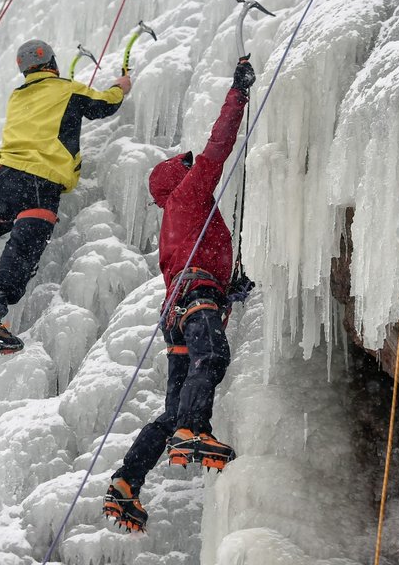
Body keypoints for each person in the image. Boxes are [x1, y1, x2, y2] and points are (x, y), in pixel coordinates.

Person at [103, 59, 256, 533]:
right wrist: (238, 94)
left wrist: (232, 288)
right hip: (195, 298)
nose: (197, 172)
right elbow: (217, 147)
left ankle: (127, 484)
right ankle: (193, 432)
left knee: (171, 407)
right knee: (211, 358)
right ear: (179, 178)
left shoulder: (177, 220)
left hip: (182, 306)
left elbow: (200, 256)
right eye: (188, 170)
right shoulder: (188, 195)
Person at [0, 39, 132, 353]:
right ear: (53, 64)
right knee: (23, 250)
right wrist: (120, 86)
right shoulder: (66, 89)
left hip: (1, 179)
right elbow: (103, 105)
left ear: (25, 70)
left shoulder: (17, 96)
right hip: (39, 184)